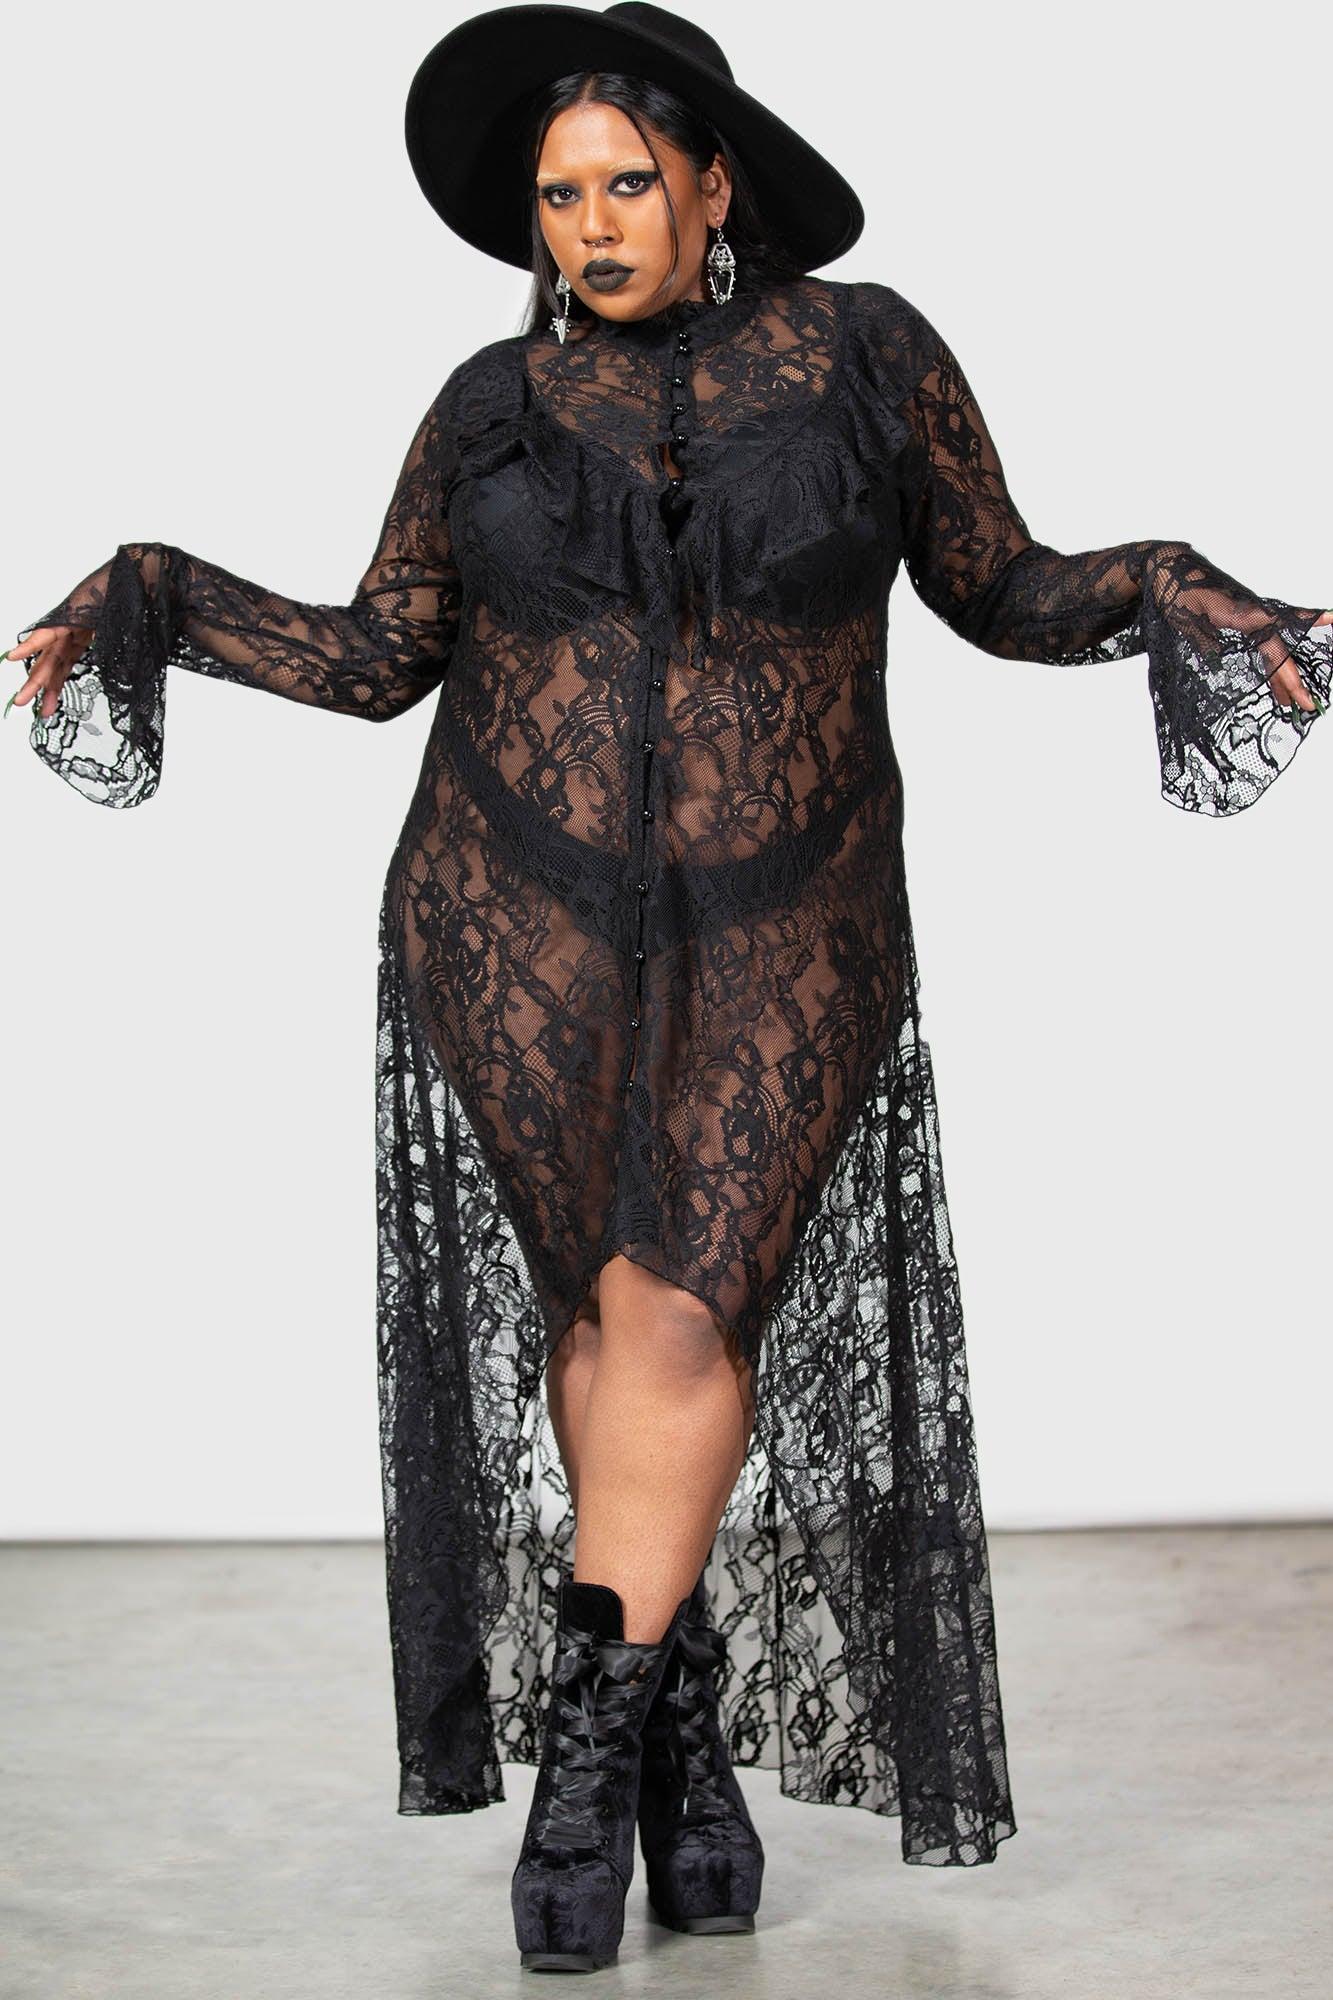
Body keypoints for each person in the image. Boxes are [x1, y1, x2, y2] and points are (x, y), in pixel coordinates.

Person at [8, 1, 1330, 1977]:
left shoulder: (866, 354)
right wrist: (155, 587)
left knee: (685, 1314)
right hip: (508, 915)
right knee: (609, 1321)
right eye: (559, 198)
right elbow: (381, 654)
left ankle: (584, 1774)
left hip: (790, 919)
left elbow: (1000, 585)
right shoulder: (487, 403)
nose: (592, 226)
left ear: (717, 184)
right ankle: (683, 1759)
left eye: (628, 183)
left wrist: (1162, 582)